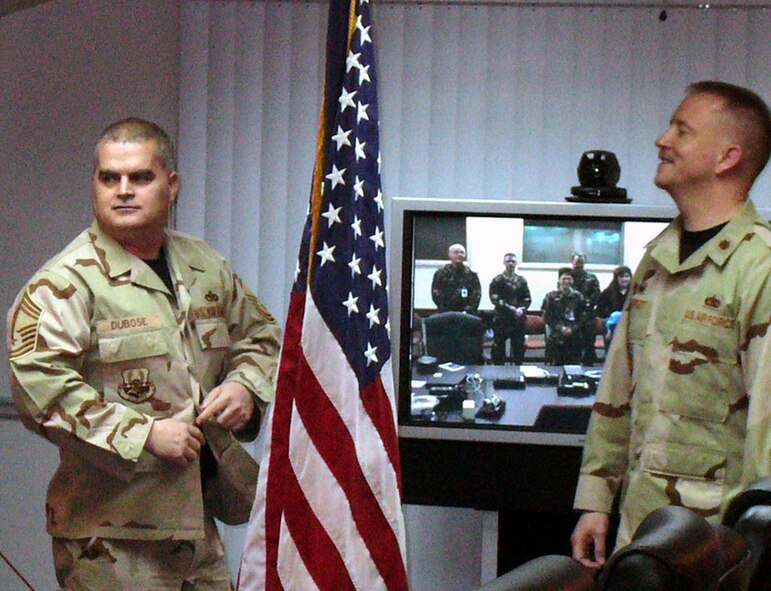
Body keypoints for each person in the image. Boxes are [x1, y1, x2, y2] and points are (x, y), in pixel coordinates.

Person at [7, 118, 282, 590]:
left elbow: (264, 335)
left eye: (141, 177)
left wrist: (245, 386)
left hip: (197, 523)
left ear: (171, 186)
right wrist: (143, 434)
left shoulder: (203, 265)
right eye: (109, 178)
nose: (123, 190)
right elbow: (41, 391)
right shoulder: (66, 282)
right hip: (110, 539)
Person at [571, 81, 771, 569]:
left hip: (716, 547)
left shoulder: (760, 266)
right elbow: (618, 389)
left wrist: (758, 554)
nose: (663, 140)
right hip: (637, 535)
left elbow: (768, 427)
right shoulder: (657, 258)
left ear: (727, 157)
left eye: (682, 130)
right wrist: (597, 499)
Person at [489, 252, 532, 364]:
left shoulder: (521, 280)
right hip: (501, 319)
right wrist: (511, 309)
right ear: (504, 263)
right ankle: (498, 375)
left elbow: (527, 298)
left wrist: (521, 309)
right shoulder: (497, 280)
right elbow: (495, 299)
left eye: (513, 261)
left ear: (516, 263)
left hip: (518, 319)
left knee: (518, 348)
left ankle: (517, 373)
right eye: (508, 261)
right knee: (498, 348)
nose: (510, 263)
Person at [541, 267, 586, 366]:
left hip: (574, 333)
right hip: (556, 334)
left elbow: (582, 317)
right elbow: (547, 317)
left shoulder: (578, 297)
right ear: (559, 280)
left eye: (569, 279)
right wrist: (560, 328)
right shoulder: (551, 296)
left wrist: (572, 328)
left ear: (573, 280)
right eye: (564, 278)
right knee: (557, 363)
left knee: (574, 365)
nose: (566, 281)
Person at [430, 243, 482, 314]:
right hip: (444, 312)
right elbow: (435, 293)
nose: (459, 254)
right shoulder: (441, 274)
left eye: (462, 252)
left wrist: (467, 311)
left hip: (466, 314)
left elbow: (476, 296)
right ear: (449, 254)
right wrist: (446, 310)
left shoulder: (472, 275)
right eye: (456, 252)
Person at [570, 253, 601, 365]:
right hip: (570, 312)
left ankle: (589, 360)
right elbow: (563, 293)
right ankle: (573, 362)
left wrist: (586, 304)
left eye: (581, 262)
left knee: (589, 332)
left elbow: (597, 295)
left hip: (587, 312)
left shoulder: (591, 278)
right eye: (577, 262)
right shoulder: (567, 277)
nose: (579, 265)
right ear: (572, 262)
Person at [594, 265, 632, 349]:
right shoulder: (607, 292)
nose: (624, 279)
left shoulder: (635, 292)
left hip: (630, 325)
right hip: (611, 327)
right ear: (616, 278)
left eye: (626, 276)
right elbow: (599, 311)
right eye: (621, 276)